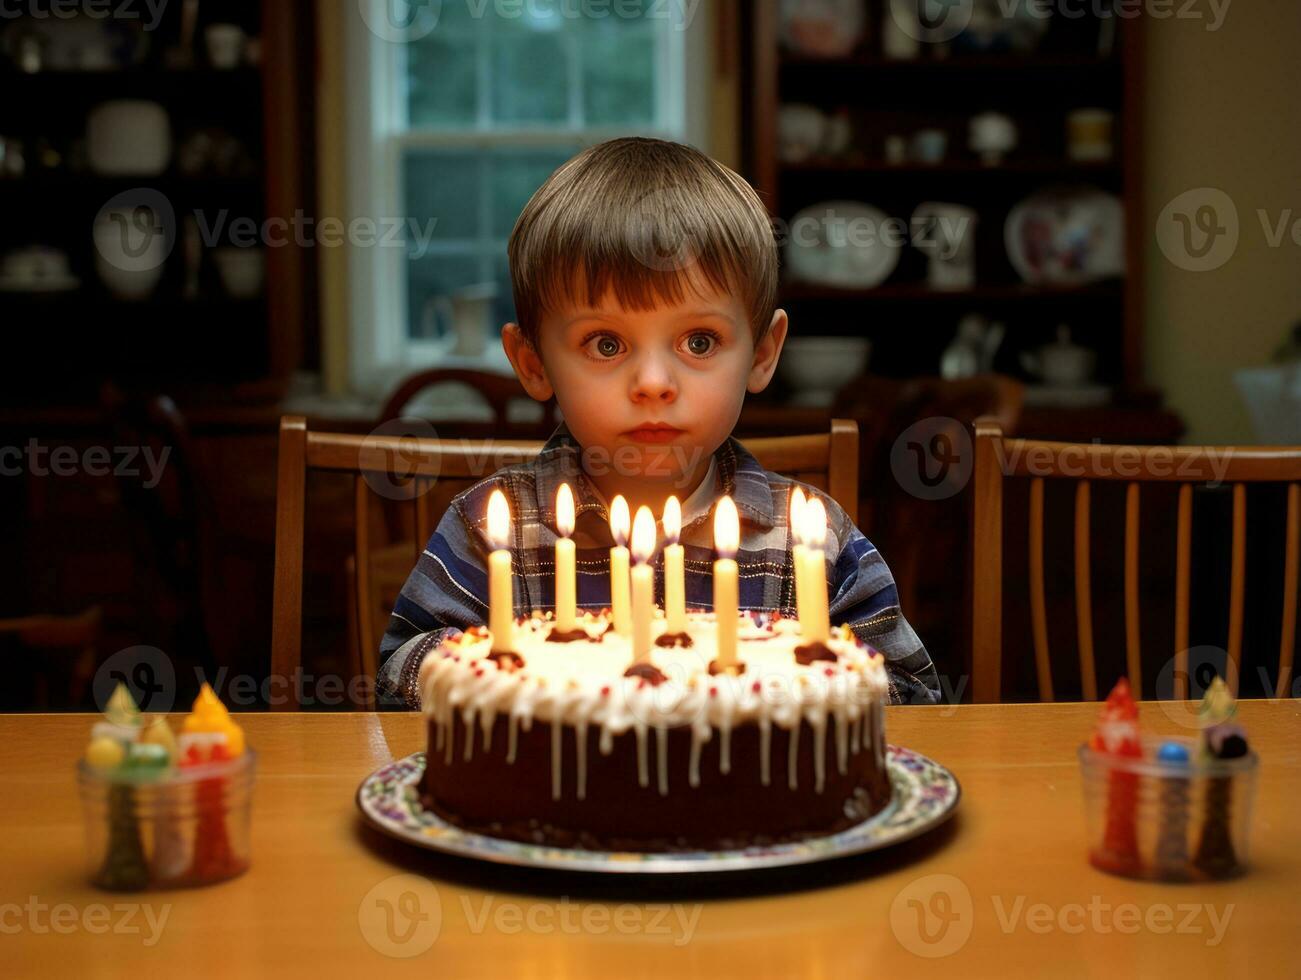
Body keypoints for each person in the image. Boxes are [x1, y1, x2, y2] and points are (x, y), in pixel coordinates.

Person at [378, 137, 939, 708]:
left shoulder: (808, 542)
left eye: (699, 341)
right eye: (605, 343)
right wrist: (510, 672)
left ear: (764, 354)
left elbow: (912, 693)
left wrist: (790, 699)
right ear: (532, 363)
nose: (652, 382)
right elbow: (398, 677)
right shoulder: (492, 531)